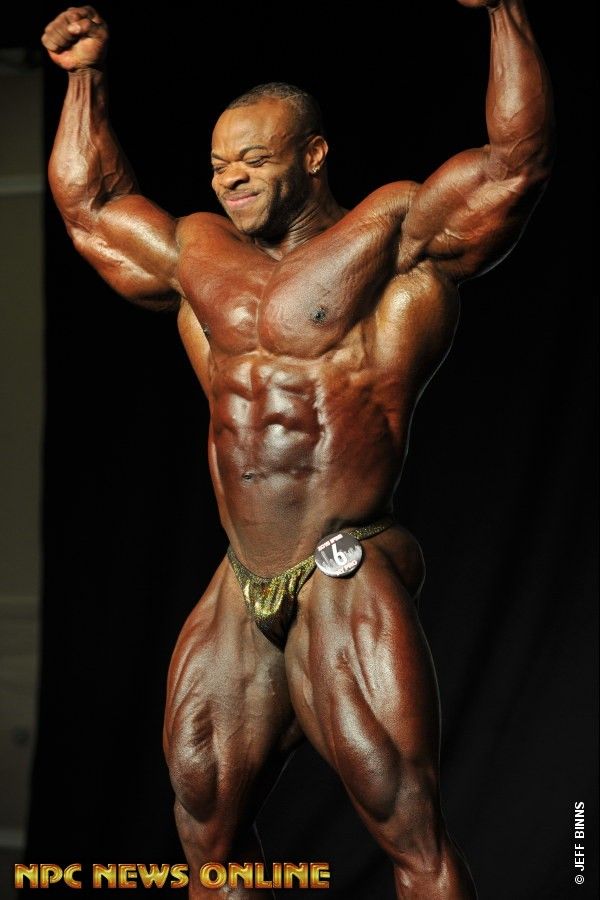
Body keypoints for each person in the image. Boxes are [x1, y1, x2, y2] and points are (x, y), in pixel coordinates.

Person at [42, 1, 554, 896]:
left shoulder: (393, 237)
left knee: (407, 822)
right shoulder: (197, 253)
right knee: (202, 820)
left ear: (313, 154)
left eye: (253, 158)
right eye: (218, 164)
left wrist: (506, 12)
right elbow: (92, 208)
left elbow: (515, 163)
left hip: (340, 562)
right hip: (242, 575)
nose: (230, 178)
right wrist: (85, 77)